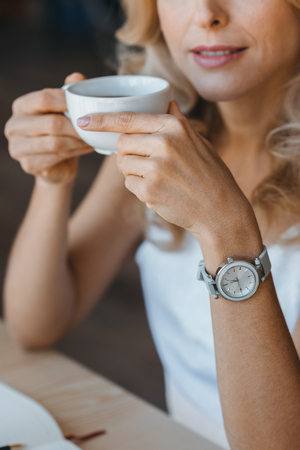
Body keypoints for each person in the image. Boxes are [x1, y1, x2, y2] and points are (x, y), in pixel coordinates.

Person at [4, 0, 300, 448]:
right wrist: (52, 179)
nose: (206, 14)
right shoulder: (162, 140)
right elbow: (35, 324)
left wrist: (225, 228)